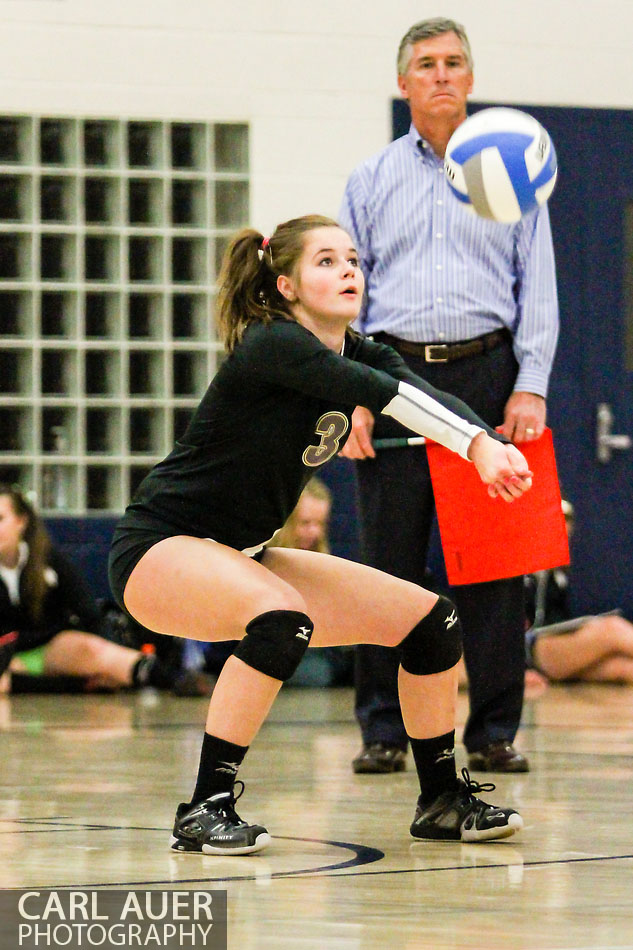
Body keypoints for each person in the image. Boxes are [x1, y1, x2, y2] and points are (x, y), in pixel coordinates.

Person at [108, 213, 533, 856]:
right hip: (160, 549)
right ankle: (204, 807)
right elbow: (382, 394)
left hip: (244, 553)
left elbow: (418, 389)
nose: (348, 272)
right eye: (326, 262)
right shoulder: (273, 345)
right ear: (285, 286)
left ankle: (443, 798)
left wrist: (485, 440)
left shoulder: (353, 348)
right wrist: (476, 447)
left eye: (354, 261)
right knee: (282, 618)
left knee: (431, 622)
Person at [338, 16, 559, 775]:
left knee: (495, 568)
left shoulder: (511, 173)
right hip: (392, 373)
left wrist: (528, 385)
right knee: (386, 565)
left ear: (470, 80)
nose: (440, 75)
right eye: (425, 64)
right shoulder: (369, 180)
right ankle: (382, 730)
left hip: (486, 375)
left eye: (453, 63)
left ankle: (494, 730)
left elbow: (539, 287)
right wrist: (355, 397)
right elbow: (347, 296)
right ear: (403, 85)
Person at [0, 484, 212, 696]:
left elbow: (89, 612)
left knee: (94, 650)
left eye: (1, 519)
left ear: (21, 521)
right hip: (4, 658)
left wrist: (108, 651)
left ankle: (174, 679)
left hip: (47, 649)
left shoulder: (47, 560)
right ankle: (79, 685)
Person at [524, 501, 633, 684]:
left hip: (553, 647)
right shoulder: (527, 566)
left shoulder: (558, 572)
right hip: (533, 650)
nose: (565, 527)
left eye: (567, 520)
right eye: (559, 520)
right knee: (612, 628)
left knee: (624, 668)